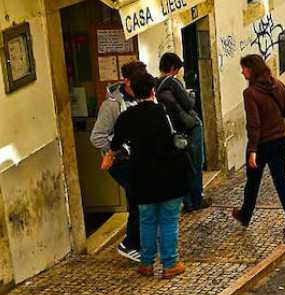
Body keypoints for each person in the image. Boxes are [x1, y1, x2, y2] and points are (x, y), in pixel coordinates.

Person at [110, 72, 189, 278]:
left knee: (147, 221)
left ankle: (146, 264)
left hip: (141, 176)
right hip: (169, 174)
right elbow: (182, 129)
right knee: (169, 221)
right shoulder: (164, 110)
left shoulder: (127, 117)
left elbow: (115, 144)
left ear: (133, 92)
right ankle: (170, 264)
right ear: (153, 90)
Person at [232, 54, 285, 236]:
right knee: (281, 182)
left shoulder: (250, 93)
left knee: (253, 183)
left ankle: (245, 215)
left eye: (244, 69)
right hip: (279, 141)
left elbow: (254, 124)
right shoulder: (277, 84)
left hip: (261, 145)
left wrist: (253, 150)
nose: (242, 72)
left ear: (251, 69)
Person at [90, 60, 147, 262]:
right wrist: (117, 150)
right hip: (120, 162)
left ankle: (138, 242)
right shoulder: (111, 106)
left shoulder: (143, 97)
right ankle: (130, 243)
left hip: (139, 160)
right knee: (139, 198)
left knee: (139, 199)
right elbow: (97, 137)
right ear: (127, 81)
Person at [156, 52, 211, 213]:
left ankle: (187, 201)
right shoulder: (173, 82)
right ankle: (197, 199)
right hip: (190, 127)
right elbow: (188, 104)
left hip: (175, 131)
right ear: (173, 68)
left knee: (184, 166)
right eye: (178, 69)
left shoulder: (156, 84)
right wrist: (191, 95)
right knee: (195, 163)